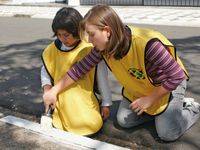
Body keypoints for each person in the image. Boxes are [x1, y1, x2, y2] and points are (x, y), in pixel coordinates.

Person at [43, 5, 200, 141]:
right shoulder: (103, 47)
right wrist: (53, 91)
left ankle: (191, 109)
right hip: (140, 88)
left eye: (91, 34)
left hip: (168, 85)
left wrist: (150, 99)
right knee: (124, 121)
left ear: (107, 31)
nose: (89, 40)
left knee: (167, 133)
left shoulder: (148, 44)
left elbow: (177, 75)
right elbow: (79, 69)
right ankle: (160, 113)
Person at [41, 7, 112, 136]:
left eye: (66, 35)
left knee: (88, 123)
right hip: (61, 98)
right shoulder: (51, 50)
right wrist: (47, 90)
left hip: (84, 98)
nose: (63, 39)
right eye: (59, 35)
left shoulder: (91, 48)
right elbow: (45, 72)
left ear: (77, 31)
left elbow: (102, 78)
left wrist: (106, 104)